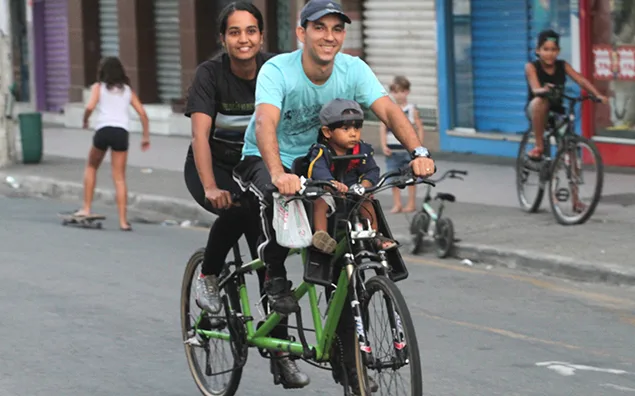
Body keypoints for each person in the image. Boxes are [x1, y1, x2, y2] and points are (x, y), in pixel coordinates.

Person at [233, 0, 435, 391]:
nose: (329, 37)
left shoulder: (353, 69)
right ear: (301, 33)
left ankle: (349, 368)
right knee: (280, 202)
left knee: (341, 263)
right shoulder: (278, 70)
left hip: (323, 164)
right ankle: (276, 279)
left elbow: (389, 111)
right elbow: (266, 123)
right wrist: (278, 173)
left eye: (337, 29)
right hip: (269, 157)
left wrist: (419, 153)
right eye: (320, 28)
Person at [182, 1, 309, 388]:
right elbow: (200, 137)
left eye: (251, 31)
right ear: (223, 38)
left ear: (261, 36)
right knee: (237, 211)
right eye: (235, 32)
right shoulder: (210, 75)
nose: (244, 39)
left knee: (274, 256)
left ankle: (281, 353)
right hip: (215, 166)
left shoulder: (277, 69)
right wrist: (210, 187)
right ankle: (208, 274)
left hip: (259, 164)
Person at [308, 99, 397, 253]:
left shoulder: (362, 150)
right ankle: (322, 236)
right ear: (327, 132)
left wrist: (365, 185)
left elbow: (372, 170)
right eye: (346, 128)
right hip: (330, 194)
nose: (353, 133)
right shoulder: (321, 151)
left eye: (357, 128)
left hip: (353, 192)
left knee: (367, 199)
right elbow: (318, 169)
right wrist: (332, 183)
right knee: (320, 203)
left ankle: (374, 234)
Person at [76, 57, 150, 231]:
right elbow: (142, 114)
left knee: (92, 166)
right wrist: (145, 136)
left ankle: (86, 208)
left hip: (103, 131)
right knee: (119, 178)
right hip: (121, 133)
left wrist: (85, 121)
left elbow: (89, 107)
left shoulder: (98, 88)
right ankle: (123, 221)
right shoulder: (127, 91)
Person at [525, 29, 607, 160]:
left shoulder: (563, 65)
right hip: (536, 110)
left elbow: (581, 80)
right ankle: (539, 146)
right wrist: (543, 90)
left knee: (566, 140)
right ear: (538, 50)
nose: (550, 54)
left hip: (557, 111)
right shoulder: (531, 67)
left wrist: (597, 95)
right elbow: (535, 88)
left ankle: (573, 175)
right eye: (545, 49)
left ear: (558, 51)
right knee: (540, 101)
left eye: (553, 49)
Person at [379, 76, 424, 213]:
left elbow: (419, 127)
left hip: (408, 150)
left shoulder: (411, 109)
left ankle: (411, 203)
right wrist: (384, 145)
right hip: (393, 150)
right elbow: (383, 127)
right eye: (395, 92)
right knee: (394, 178)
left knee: (411, 177)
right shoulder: (389, 108)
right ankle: (397, 203)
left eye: (402, 91)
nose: (399, 95)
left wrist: (419, 146)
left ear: (407, 92)